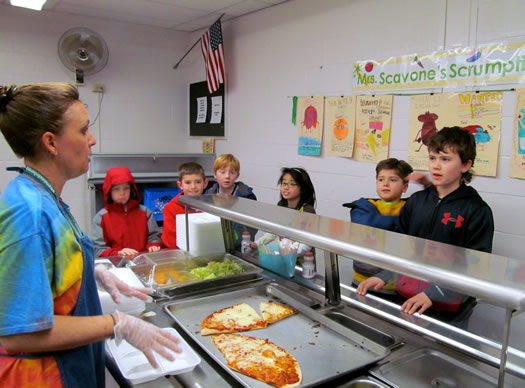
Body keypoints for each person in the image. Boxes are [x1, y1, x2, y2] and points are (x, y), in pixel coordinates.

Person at [0, 83, 181, 387]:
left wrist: (90, 270)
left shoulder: (45, 197)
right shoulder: (28, 213)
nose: (92, 140)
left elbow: (47, 267)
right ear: (51, 142)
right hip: (45, 377)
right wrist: (118, 322)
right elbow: (19, 334)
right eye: (83, 130)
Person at [357, 127, 494, 323]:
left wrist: (434, 293)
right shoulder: (416, 201)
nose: (436, 166)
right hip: (405, 299)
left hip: (449, 310)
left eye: (445, 159)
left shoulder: (477, 210)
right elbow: (401, 246)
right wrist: (384, 275)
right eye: (432, 158)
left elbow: (476, 266)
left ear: (465, 165)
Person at [342, 158, 413, 299]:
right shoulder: (363, 206)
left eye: (393, 180)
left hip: (396, 286)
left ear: (404, 187)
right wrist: (398, 223)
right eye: (381, 179)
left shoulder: (410, 209)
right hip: (362, 280)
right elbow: (368, 225)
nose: (385, 183)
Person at [91, 166, 162, 259]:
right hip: (117, 267)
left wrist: (153, 245)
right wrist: (118, 253)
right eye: (117, 189)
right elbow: (98, 250)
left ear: (132, 189)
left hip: (143, 264)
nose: (122, 193)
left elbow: (154, 236)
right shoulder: (101, 218)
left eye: (126, 188)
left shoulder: (145, 212)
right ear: (109, 191)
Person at [250, 167, 316, 258]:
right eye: (284, 183)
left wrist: (289, 253)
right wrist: (258, 243)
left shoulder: (307, 210)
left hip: (301, 261)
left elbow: (307, 244)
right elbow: (274, 231)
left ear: (302, 188)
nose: (286, 187)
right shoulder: (281, 205)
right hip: (282, 257)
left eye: (292, 184)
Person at [206, 153, 257, 245]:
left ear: (237, 175)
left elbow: (253, 225)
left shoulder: (247, 196)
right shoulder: (208, 195)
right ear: (214, 174)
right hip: (215, 242)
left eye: (232, 172)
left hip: (241, 245)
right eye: (222, 172)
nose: (227, 176)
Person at [161, 162, 208, 248]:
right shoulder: (170, 208)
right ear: (180, 185)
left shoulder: (211, 206)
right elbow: (170, 241)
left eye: (198, 182)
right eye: (188, 182)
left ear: (205, 183)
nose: (193, 186)